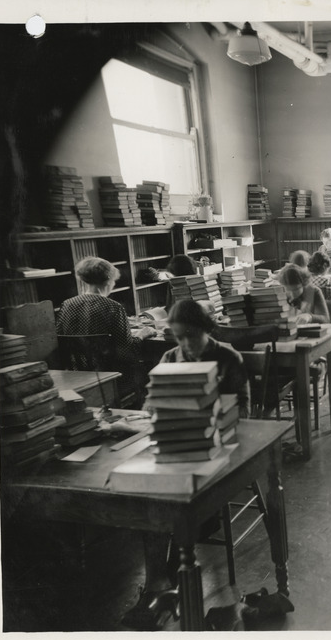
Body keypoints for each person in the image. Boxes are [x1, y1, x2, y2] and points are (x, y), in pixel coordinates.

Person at [122, 300, 250, 630]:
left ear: (208, 329)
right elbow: (152, 403)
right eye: (178, 338)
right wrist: (157, 411)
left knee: (178, 504)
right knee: (149, 496)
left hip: (220, 453)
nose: (185, 346)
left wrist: (210, 419)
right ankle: (159, 585)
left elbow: (244, 415)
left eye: (191, 337)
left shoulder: (228, 357)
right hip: (178, 449)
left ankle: (163, 587)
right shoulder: (169, 358)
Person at [56, 256, 156, 403]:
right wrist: (142, 334)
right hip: (110, 372)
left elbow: (59, 338)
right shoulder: (113, 307)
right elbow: (125, 351)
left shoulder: (67, 304)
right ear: (109, 280)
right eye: (114, 281)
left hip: (75, 372)